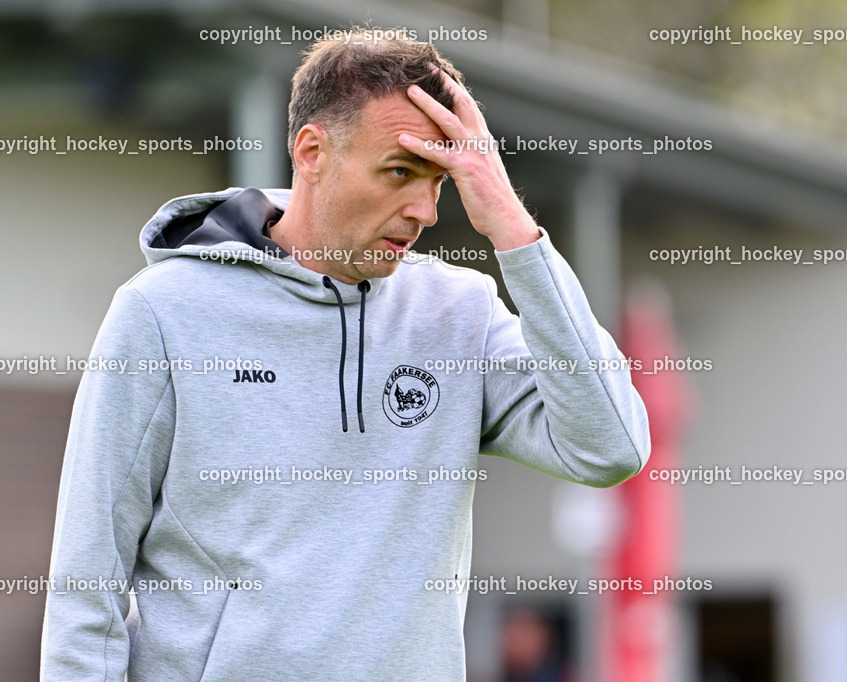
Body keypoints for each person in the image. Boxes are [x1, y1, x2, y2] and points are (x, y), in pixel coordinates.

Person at [41, 29, 650, 681]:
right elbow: (87, 581)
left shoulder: (461, 313)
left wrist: (511, 226)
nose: (424, 210)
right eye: (399, 171)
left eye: (440, 180)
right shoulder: (163, 312)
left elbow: (609, 446)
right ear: (312, 153)